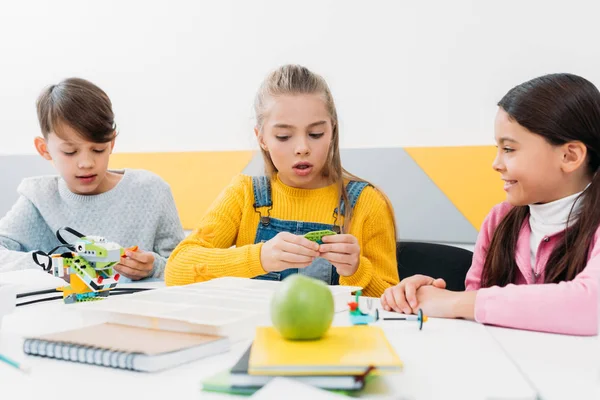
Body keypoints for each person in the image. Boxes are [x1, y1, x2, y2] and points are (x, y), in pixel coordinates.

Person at [381, 73, 600, 335]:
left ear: (570, 155)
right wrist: (428, 295)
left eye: (509, 149)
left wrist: (454, 302)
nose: (496, 164)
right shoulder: (500, 219)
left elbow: (589, 307)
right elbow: (477, 310)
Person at [166, 64, 398, 297]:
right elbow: (177, 269)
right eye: (284, 136)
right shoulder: (244, 194)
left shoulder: (367, 203)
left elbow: (394, 303)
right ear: (262, 138)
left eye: (316, 134)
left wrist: (356, 270)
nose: (302, 148)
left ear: (332, 131)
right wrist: (259, 258)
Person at [0, 78, 185, 281]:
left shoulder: (152, 191)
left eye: (98, 149)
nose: (86, 163)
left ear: (111, 143)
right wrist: (57, 265)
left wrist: (154, 267)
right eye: (70, 152)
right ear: (44, 149)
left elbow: (185, 265)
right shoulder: (39, 198)